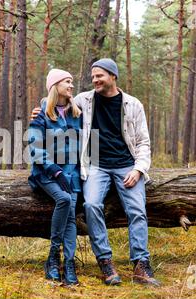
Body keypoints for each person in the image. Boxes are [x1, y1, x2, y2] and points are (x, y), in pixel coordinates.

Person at [30, 58, 159, 286]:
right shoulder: (84, 101)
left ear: (113, 76)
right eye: (93, 77)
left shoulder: (133, 104)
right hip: (95, 165)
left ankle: (141, 264)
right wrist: (39, 110)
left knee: (137, 210)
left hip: (127, 165)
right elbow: (56, 99)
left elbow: (144, 143)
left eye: (100, 75)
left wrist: (138, 170)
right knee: (90, 205)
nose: (95, 80)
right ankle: (105, 262)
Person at [28, 69, 82, 286]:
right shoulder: (41, 114)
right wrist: (55, 171)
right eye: (67, 82)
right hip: (47, 173)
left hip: (72, 175)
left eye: (72, 82)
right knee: (65, 200)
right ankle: (52, 257)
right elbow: (34, 146)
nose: (71, 86)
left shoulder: (76, 114)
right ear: (55, 86)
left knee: (70, 217)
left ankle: (68, 263)